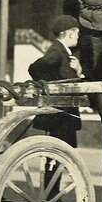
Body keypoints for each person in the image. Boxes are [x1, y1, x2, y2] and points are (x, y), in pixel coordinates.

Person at [28, 14, 83, 147]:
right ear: (69, 34)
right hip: (60, 114)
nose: (78, 37)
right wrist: (47, 85)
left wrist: (78, 71)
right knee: (59, 153)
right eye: (77, 34)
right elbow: (35, 67)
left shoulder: (64, 52)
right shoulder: (57, 51)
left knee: (61, 153)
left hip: (64, 114)